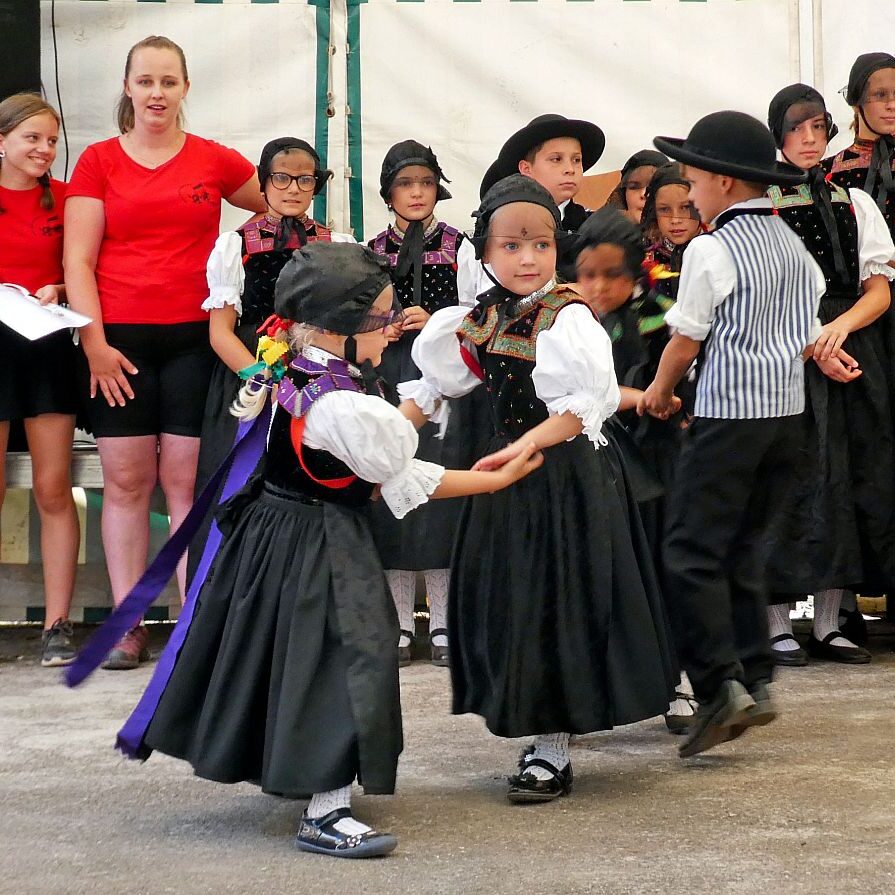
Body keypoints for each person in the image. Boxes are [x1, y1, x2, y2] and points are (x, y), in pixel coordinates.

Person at [110, 242, 543, 857]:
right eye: (383, 320)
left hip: (273, 533)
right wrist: (494, 479)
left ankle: (298, 772)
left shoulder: (294, 364)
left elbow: (376, 434)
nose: (391, 330)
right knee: (345, 658)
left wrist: (432, 392)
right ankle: (325, 810)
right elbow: (397, 470)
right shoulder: (338, 398)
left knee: (291, 655)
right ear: (343, 328)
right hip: (317, 542)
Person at [399, 175, 677, 802]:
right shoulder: (480, 317)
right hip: (508, 480)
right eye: (511, 246)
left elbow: (587, 405)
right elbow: (436, 387)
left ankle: (552, 746)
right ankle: (537, 728)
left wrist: (531, 442)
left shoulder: (567, 316)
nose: (527, 259)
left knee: (558, 605)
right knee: (515, 603)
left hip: (564, 482)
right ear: (486, 252)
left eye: (541, 245)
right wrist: (377, 435)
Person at [64, 35, 264, 669]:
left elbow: (281, 215)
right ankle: (127, 626)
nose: (156, 93)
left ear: (185, 89)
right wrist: (93, 343)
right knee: (125, 482)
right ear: (127, 87)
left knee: (185, 483)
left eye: (168, 82)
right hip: (116, 344)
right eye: (145, 81)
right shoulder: (97, 161)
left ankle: (191, 621)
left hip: (193, 342)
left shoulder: (215, 160)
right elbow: (78, 259)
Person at [639, 111, 827, 757]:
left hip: (729, 416)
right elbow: (804, 329)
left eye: (691, 177)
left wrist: (660, 391)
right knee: (743, 545)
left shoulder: (709, 248)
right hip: (786, 418)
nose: (687, 191)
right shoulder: (791, 243)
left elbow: (686, 334)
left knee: (689, 550)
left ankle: (719, 683)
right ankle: (755, 673)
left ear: (719, 181)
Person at [763, 84, 895, 666]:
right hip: (786, 350)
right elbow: (762, 288)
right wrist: (813, 340)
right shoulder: (758, 206)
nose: (811, 140)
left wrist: (839, 330)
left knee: (850, 474)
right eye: (798, 129)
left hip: (849, 348)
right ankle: (774, 624)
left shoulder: (853, 200)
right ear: (778, 135)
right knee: (789, 480)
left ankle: (829, 621)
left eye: (819, 127)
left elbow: (880, 289)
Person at [189, 137, 354, 585]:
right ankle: (225, 598)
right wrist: (259, 378)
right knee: (243, 484)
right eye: (282, 177)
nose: (293, 187)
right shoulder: (234, 244)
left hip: (317, 379)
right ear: (263, 182)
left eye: (305, 178)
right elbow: (220, 331)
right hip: (250, 383)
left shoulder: (335, 243)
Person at [571, 206, 695, 734]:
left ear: (637, 270)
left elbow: (686, 376)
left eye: (611, 275)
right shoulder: (561, 320)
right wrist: (640, 397)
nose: (598, 287)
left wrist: (672, 402)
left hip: (656, 465)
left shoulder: (664, 315)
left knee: (661, 574)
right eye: (587, 275)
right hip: (588, 461)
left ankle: (678, 685)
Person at [368, 140, 470, 665]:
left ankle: (447, 622)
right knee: (391, 490)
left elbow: (478, 311)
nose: (416, 193)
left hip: (440, 377)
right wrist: (381, 327)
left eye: (425, 183)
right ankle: (401, 624)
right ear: (388, 192)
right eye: (405, 184)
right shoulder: (369, 250)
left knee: (440, 491)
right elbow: (356, 312)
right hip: (386, 376)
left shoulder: (460, 246)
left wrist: (436, 320)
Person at [0, 93, 80, 667]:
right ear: (1, 140)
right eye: (31, 138)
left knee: (54, 489)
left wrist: (60, 290)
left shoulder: (70, 199)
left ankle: (56, 626)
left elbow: (87, 268)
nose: (44, 150)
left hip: (48, 347)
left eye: (51, 140)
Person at [456, 114, 606, 302]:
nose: (570, 169)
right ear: (526, 169)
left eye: (576, 160)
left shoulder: (598, 228)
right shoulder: (488, 232)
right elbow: (470, 304)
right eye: (556, 159)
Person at [606, 149, 670, 225]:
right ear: (623, 194)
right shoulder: (598, 234)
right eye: (634, 187)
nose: (644, 194)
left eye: (654, 186)